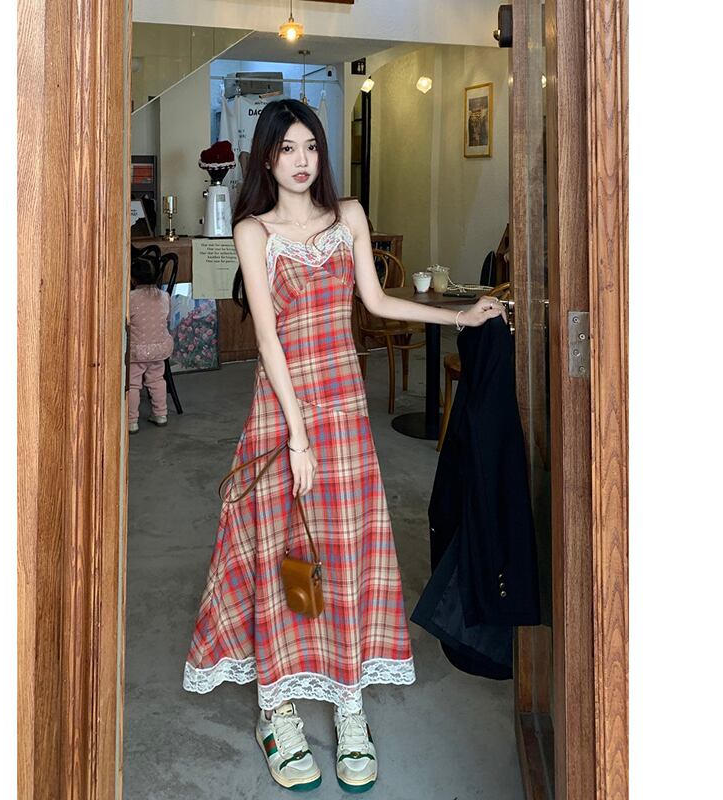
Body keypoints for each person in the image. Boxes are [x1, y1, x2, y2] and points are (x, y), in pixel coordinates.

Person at [182, 98, 507, 793]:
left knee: (346, 549)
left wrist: (461, 316)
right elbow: (267, 339)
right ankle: (278, 710)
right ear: (267, 158)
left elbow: (378, 303)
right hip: (284, 415)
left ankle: (348, 702)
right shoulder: (253, 231)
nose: (301, 161)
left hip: (345, 411)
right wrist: (297, 437)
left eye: (311, 147)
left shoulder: (349, 216)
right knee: (283, 553)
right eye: (287, 149)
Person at [128, 256, 173, 434]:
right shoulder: (164, 297)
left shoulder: (130, 298)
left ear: (133, 279)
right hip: (159, 349)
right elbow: (167, 319)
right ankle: (161, 414)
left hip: (136, 351)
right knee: (157, 380)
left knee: (133, 384)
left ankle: (132, 421)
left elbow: (125, 322)